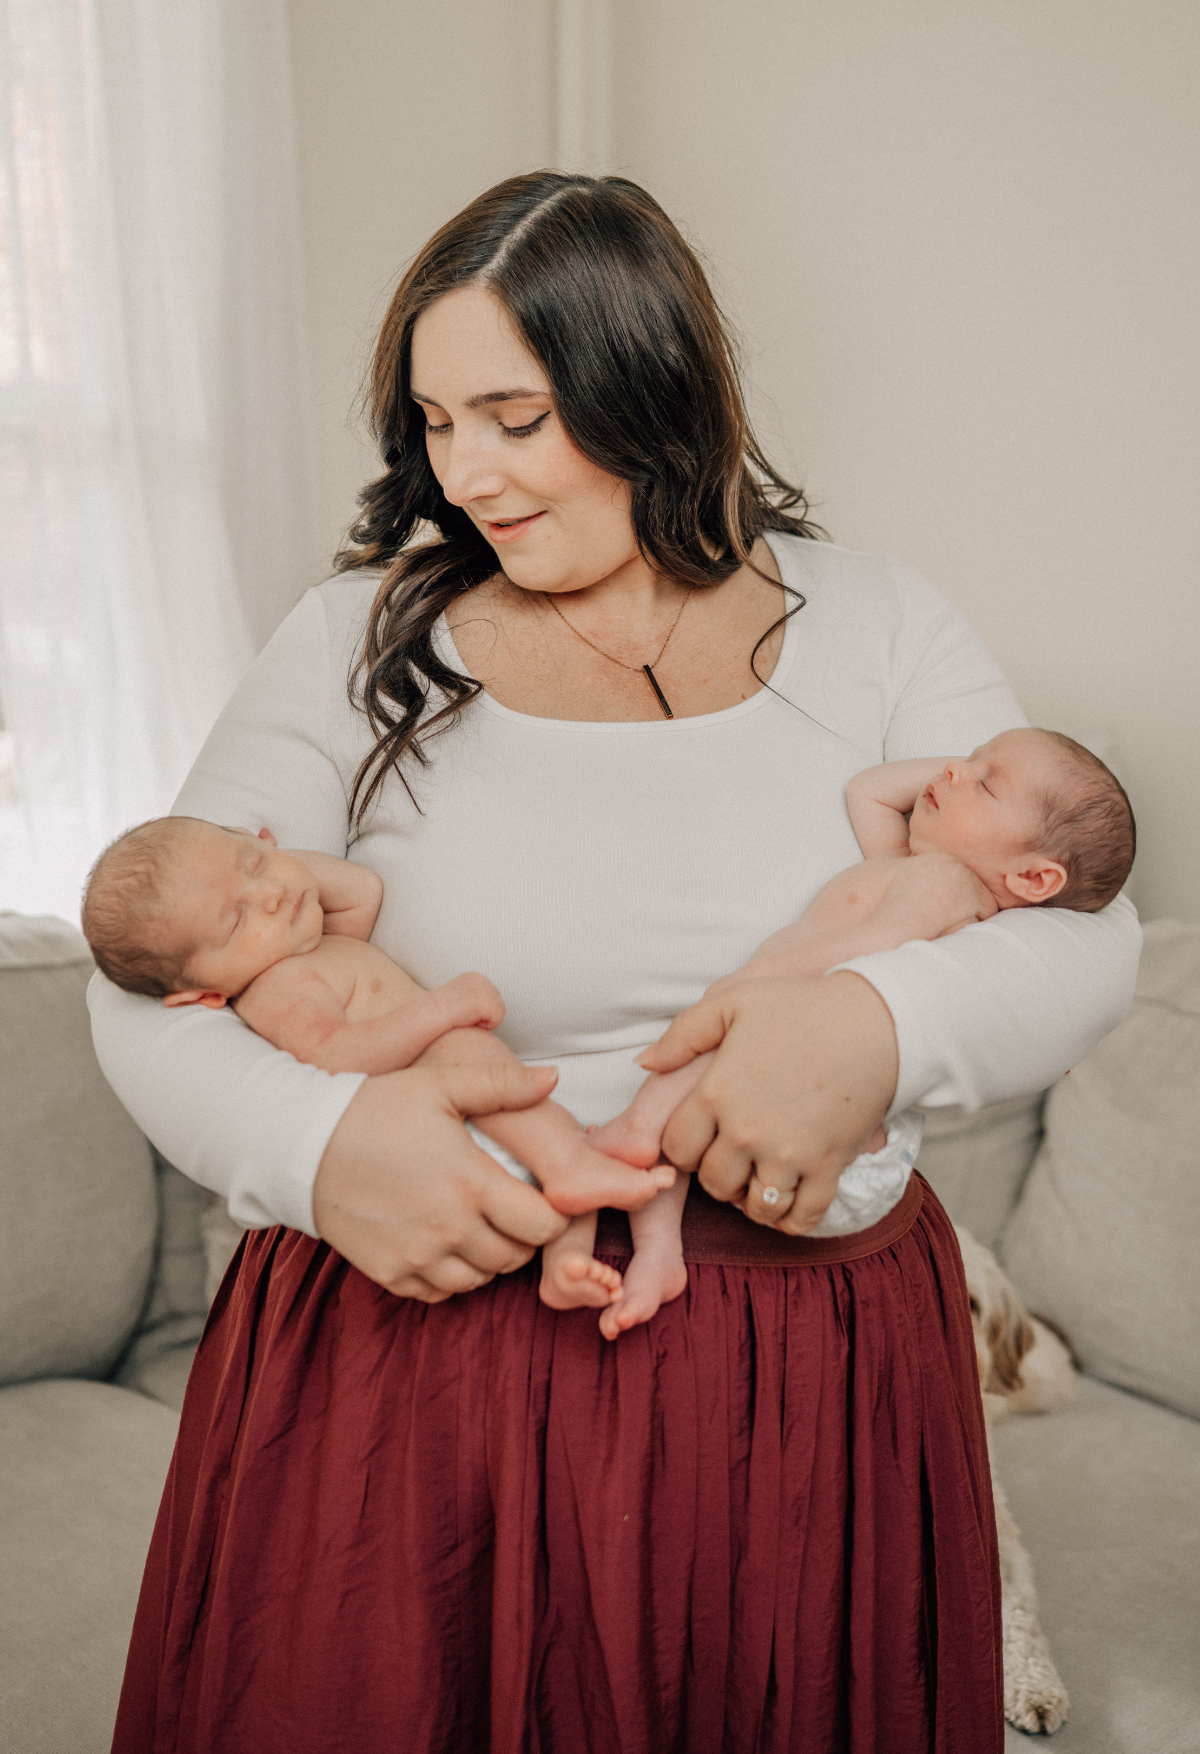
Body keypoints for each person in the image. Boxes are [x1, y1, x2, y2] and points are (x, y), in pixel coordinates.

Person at [89, 171, 1140, 1754]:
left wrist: (874, 1023)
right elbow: (148, 967)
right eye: (437, 423)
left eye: (515, 416)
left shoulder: (880, 627)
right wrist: (316, 1144)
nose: (469, 474)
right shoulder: (347, 642)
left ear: (648, 383)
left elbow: (1079, 921)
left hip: (808, 1366)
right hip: (412, 1348)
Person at [579, 728, 1136, 1336]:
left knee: (691, 1063)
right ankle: (659, 1254)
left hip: (840, 1133)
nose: (954, 770)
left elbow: (867, 951)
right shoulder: (908, 866)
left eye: (986, 783)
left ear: (1033, 881)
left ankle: (631, 1134)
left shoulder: (948, 885)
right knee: (687, 1126)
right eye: (967, 760)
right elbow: (868, 790)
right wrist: (968, 770)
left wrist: (754, 984)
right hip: (829, 1120)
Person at [79, 816, 675, 1220]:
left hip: (474, 1122)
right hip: (433, 1109)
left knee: (502, 1095)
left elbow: (360, 890)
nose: (270, 896)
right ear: (205, 995)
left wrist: (282, 867)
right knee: (471, 1061)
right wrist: (445, 1008)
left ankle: (571, 1234)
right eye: (235, 919)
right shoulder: (279, 989)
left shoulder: (305, 948)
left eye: (253, 863)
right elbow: (334, 1057)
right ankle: (565, 1162)